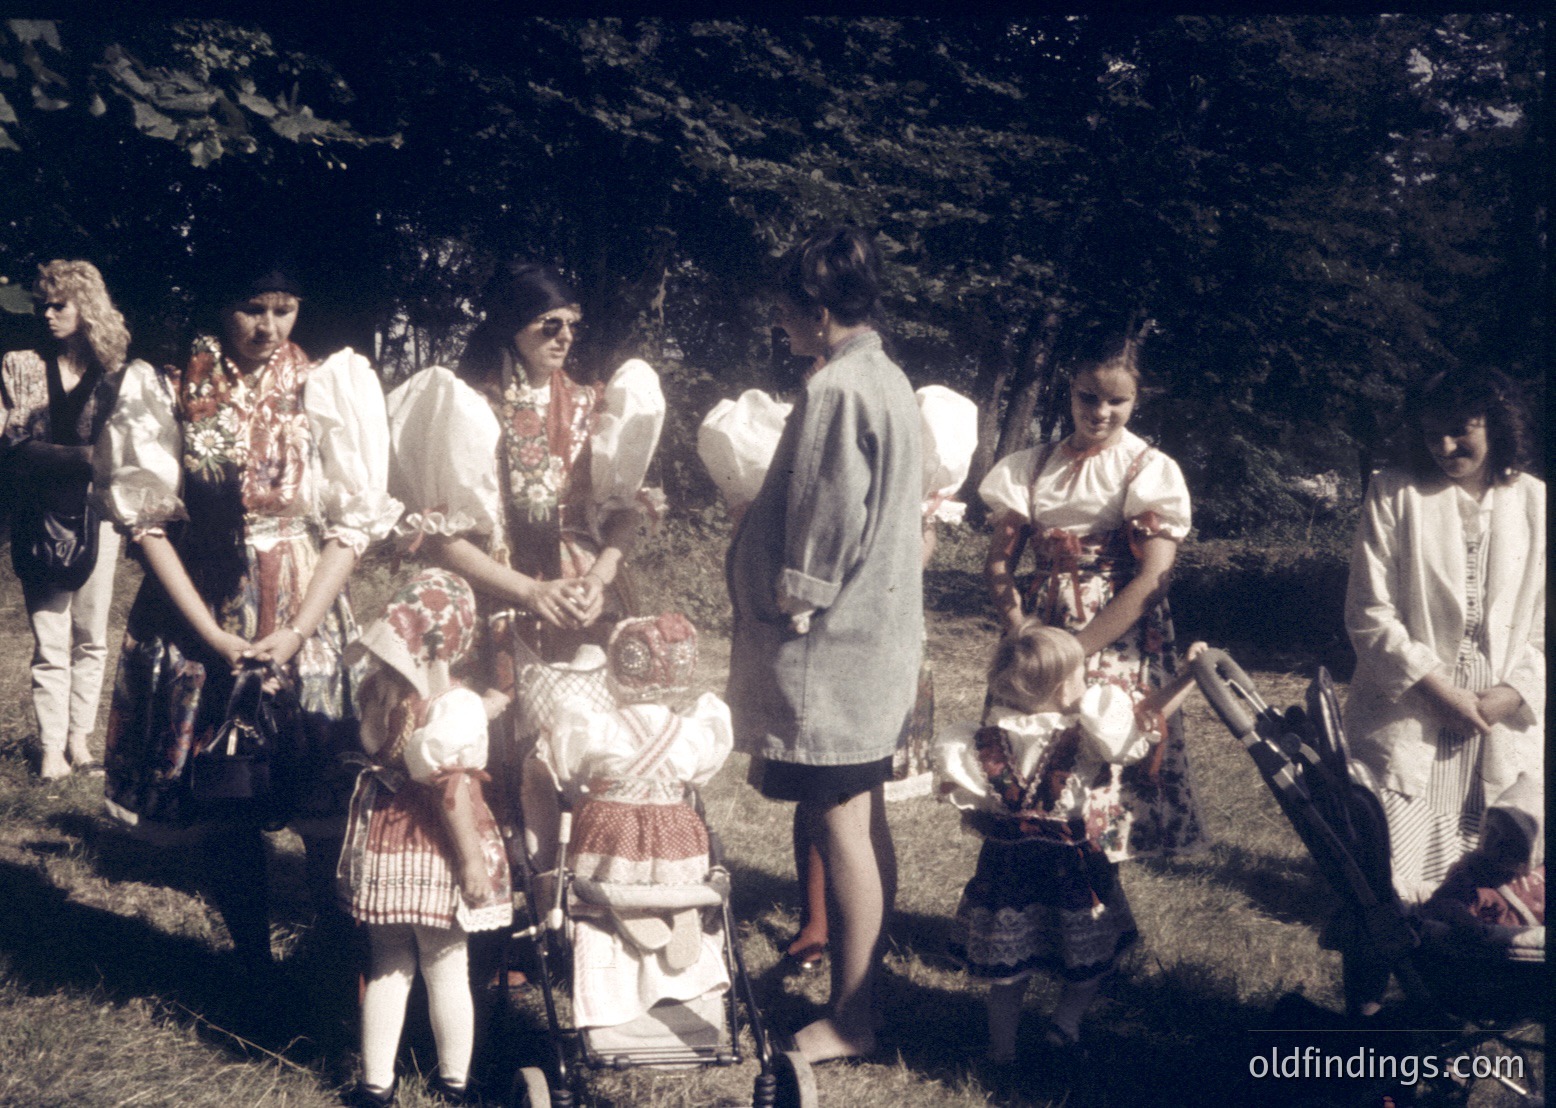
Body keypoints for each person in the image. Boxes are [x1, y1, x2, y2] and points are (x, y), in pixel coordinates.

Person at [93, 262, 402, 972]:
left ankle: (334, 950)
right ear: (219, 308)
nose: (269, 328)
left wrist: (295, 631)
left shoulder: (324, 385)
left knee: (325, 789)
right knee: (224, 796)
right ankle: (251, 960)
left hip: (303, 600)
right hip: (203, 603)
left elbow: (350, 526)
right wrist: (212, 636)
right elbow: (146, 525)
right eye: (252, 310)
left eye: (284, 310)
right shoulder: (166, 386)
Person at [725, 225, 923, 1063]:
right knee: (859, 814)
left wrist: (789, 596)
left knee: (841, 818)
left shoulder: (840, 387)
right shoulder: (887, 377)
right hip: (871, 642)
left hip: (833, 648)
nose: (779, 319)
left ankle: (852, 1018)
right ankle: (859, 994)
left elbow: (827, 516)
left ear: (819, 304)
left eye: (786, 303)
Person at [934, 621, 1206, 1059]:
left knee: (1008, 973)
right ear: (1065, 690)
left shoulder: (978, 742)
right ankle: (1065, 1023)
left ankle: (1000, 1050)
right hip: (1071, 864)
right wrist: (1189, 678)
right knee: (1089, 956)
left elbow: (967, 798)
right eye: (1082, 674)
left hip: (1007, 870)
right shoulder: (1088, 736)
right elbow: (1146, 720)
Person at [979, 328, 1202, 861]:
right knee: (1029, 756)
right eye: (1088, 397)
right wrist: (1022, 631)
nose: (1100, 412)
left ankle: (1094, 899)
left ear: (1136, 400)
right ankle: (1024, 885)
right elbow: (998, 561)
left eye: (1116, 401)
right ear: (1069, 390)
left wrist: (1077, 649)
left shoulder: (1147, 469)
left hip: (1115, 629)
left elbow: (1152, 579)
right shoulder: (1030, 467)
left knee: (1098, 754)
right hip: (1039, 626)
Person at [385, 260, 665, 674]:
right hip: (497, 583)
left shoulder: (595, 407)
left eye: (571, 325)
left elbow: (622, 512)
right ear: (512, 325)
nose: (565, 337)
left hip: (584, 593)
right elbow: (439, 539)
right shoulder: (468, 412)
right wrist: (530, 591)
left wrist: (600, 579)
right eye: (550, 325)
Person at [1344, 366, 1544, 908]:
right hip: (1412, 711)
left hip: (1498, 720)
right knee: (1388, 889)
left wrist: (1514, 692)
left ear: (1497, 425)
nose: (1446, 445)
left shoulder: (1536, 501)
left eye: (1462, 430)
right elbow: (1368, 612)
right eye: (1432, 434)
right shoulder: (1395, 493)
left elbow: (1544, 627)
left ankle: (1455, 989)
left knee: (1487, 889)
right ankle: (1370, 993)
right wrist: (1436, 691)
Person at [338, 569, 513, 1108]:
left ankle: (375, 1085)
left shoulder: (379, 692)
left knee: (389, 962)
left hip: (387, 835)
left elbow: (403, 745)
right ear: (458, 640)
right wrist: (471, 864)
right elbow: (450, 788)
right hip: (435, 842)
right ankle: (454, 1083)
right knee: (446, 966)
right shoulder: (453, 707)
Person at [1, 260, 138, 779]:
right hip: (39, 513)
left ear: (87, 307)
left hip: (96, 516)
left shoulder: (115, 374)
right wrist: (83, 458)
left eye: (60, 304)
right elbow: (12, 444)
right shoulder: (21, 365)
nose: (49, 314)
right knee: (49, 637)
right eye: (43, 305)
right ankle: (50, 748)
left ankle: (81, 742)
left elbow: (124, 454)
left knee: (92, 633)